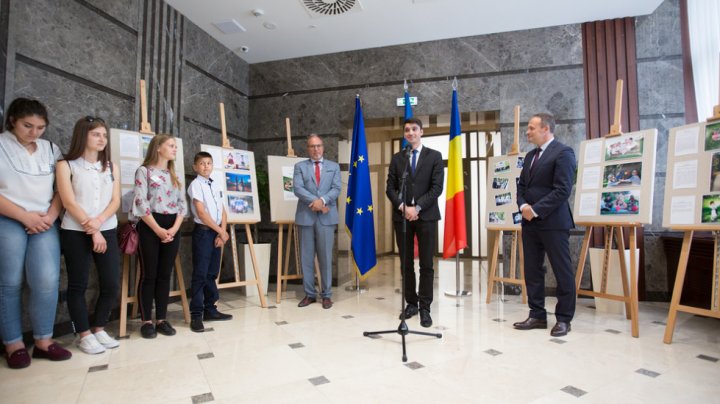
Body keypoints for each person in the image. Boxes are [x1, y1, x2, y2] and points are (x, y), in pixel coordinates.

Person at [0, 98, 72, 368]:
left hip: (44, 219)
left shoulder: (50, 149)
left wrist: (51, 216)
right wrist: (23, 216)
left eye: (40, 127)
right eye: (27, 126)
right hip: (9, 218)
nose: (34, 132)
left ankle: (44, 340)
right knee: (9, 281)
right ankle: (14, 343)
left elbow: (61, 188)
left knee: (46, 280)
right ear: (12, 121)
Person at [56, 116, 121, 354]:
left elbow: (115, 201)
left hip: (107, 228)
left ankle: (99, 327)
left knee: (111, 283)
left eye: (104, 135)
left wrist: (99, 224)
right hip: (75, 230)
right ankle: (83, 333)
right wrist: (92, 229)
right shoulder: (66, 165)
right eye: (96, 134)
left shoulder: (112, 167)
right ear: (82, 135)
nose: (102, 139)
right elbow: (68, 201)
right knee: (78, 285)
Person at [513, 113, 577, 337]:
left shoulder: (564, 152)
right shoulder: (530, 156)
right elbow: (521, 186)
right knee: (532, 270)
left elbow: (562, 190)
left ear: (546, 128)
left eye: (531, 128)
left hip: (553, 222)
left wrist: (536, 209)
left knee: (562, 270)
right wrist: (523, 207)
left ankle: (564, 319)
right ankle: (537, 314)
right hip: (529, 223)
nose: (527, 132)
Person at [386, 117, 444, 328]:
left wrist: (417, 208)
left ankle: (425, 307)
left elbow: (437, 188)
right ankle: (411, 303)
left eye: (414, 129)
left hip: (426, 216)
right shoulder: (397, 158)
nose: (410, 133)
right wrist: (404, 207)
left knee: (426, 264)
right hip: (401, 217)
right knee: (406, 263)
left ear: (421, 132)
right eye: (407, 130)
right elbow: (390, 188)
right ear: (404, 134)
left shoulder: (435, 156)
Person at [132, 134, 187, 339]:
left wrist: (173, 229)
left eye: (175, 146)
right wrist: (157, 229)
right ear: (158, 148)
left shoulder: (175, 175)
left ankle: (161, 319)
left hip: (172, 225)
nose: (175, 149)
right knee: (149, 274)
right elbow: (140, 203)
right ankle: (147, 321)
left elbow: (182, 205)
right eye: (171, 145)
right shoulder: (143, 171)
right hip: (150, 224)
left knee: (165, 275)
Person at [293, 134, 341, 309]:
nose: (316, 149)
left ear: (323, 147)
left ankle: (326, 295)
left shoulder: (333, 167)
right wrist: (317, 203)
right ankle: (309, 294)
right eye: (312, 146)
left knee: (325, 257)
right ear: (308, 149)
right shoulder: (300, 166)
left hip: (327, 218)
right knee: (306, 257)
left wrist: (322, 201)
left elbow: (337, 188)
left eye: (318, 146)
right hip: (306, 217)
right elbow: (297, 188)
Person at [187, 151, 232, 333]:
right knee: (200, 274)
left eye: (209, 163)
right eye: (202, 163)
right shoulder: (195, 185)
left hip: (217, 233)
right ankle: (196, 315)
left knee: (212, 273)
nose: (206, 166)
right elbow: (202, 213)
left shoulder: (216, 184)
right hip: (204, 233)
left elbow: (222, 210)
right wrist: (221, 231)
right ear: (195, 167)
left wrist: (222, 232)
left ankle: (210, 309)